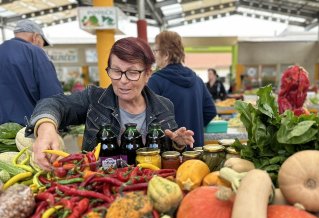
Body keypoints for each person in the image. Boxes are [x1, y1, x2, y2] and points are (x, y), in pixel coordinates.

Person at [29, 37, 194, 171]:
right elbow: (54, 103)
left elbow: (166, 159)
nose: (122, 81)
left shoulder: (164, 106)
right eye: (116, 71)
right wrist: (45, 129)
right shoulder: (94, 99)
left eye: (132, 72)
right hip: (100, 187)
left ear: (148, 74)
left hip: (149, 187)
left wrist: (177, 145)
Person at [147, 30, 217, 147]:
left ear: (166, 55)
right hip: (195, 150)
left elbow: (149, 120)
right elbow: (210, 111)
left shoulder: (156, 81)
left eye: (156, 51)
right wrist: (194, 126)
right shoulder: (197, 80)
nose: (155, 55)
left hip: (169, 153)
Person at [0, 19, 62, 125]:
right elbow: (53, 96)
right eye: (43, 42)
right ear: (35, 37)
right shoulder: (36, 53)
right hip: (28, 131)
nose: (42, 46)